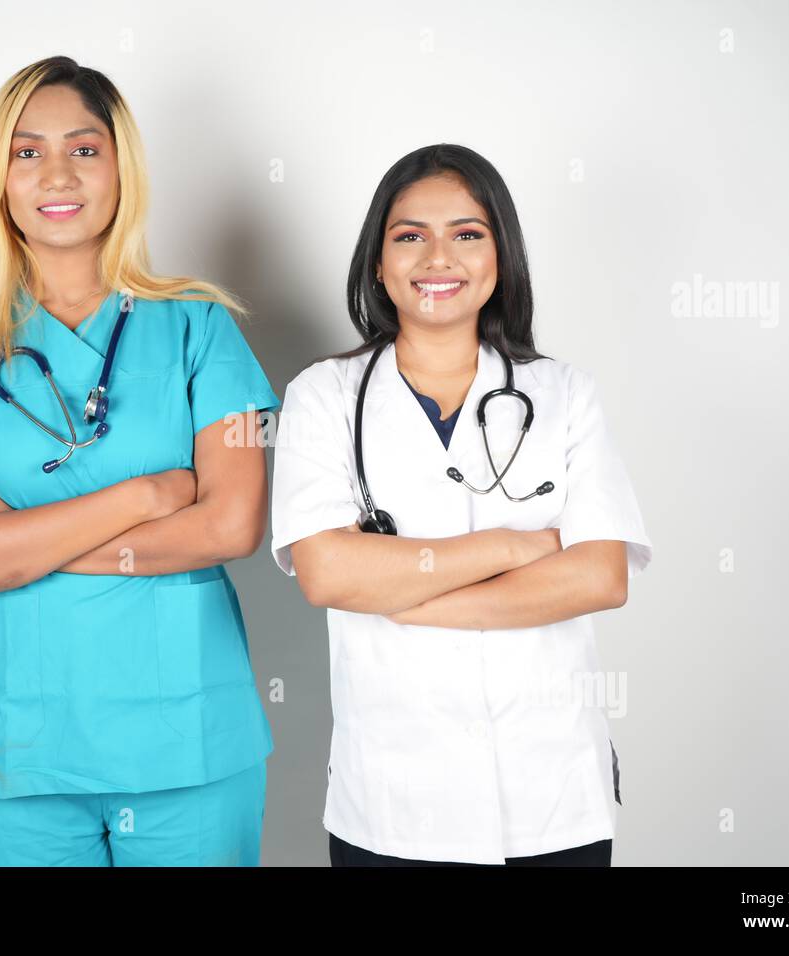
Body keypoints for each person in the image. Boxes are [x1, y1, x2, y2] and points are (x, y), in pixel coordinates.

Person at [0, 55, 279, 866]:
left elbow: (234, 523)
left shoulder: (200, 327)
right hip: (16, 750)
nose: (56, 173)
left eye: (84, 148)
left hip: (187, 746)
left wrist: (19, 545)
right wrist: (147, 497)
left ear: (121, 167)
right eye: (27, 152)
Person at [269, 144, 653, 867]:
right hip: (394, 802)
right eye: (409, 235)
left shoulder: (565, 394)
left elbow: (600, 577)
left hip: (552, 798)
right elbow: (326, 575)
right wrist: (517, 547)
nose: (437, 257)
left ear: (500, 258)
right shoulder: (322, 398)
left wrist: (401, 593)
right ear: (377, 264)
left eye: (467, 234)